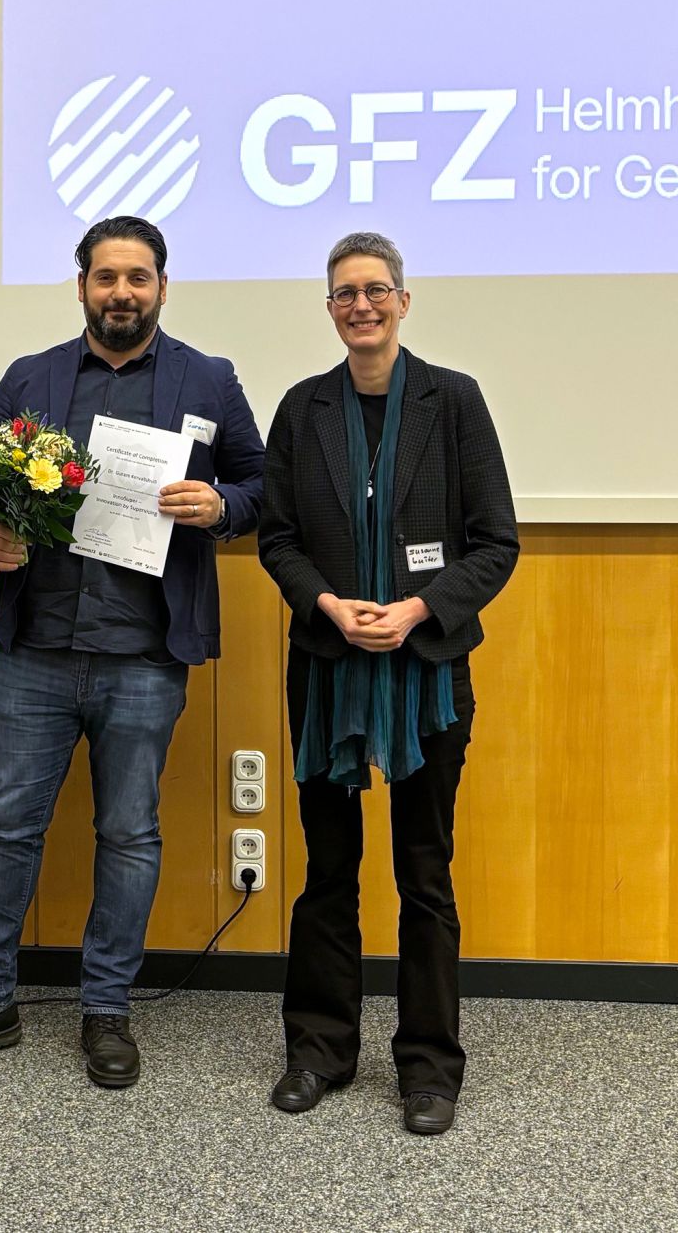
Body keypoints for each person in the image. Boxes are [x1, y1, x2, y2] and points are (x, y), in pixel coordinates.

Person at [0, 216, 264, 1089]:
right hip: (37, 646)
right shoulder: (30, 378)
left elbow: (262, 485)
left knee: (129, 833)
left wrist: (221, 507)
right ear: (81, 287)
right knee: (7, 829)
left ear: (163, 287)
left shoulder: (209, 379)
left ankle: (107, 1009)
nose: (122, 293)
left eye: (138, 278)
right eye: (107, 277)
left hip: (145, 653)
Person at [255, 231, 518, 1135]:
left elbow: (496, 544)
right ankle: (318, 1051)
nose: (360, 306)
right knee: (328, 870)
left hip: (427, 673)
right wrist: (327, 604)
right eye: (344, 294)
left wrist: (417, 609)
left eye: (375, 290)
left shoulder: (455, 401)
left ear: (404, 301)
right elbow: (278, 538)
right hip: (328, 671)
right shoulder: (302, 409)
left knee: (424, 873)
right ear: (330, 309)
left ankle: (429, 1068)